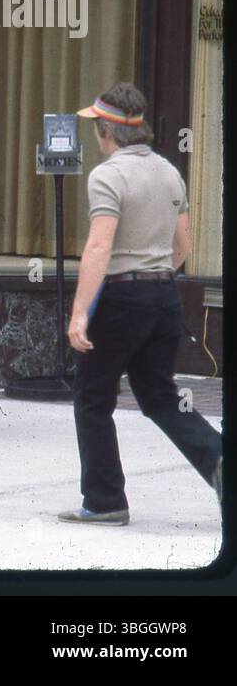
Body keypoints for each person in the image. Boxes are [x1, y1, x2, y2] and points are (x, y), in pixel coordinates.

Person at [60, 83, 223, 525]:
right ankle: (219, 461)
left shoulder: (108, 175)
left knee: (93, 398)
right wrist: (154, 275)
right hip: (164, 295)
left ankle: (104, 500)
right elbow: (183, 244)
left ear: (107, 131)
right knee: (161, 397)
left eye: (96, 126)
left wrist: (80, 313)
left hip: (120, 297)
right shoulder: (170, 171)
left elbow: (99, 246)